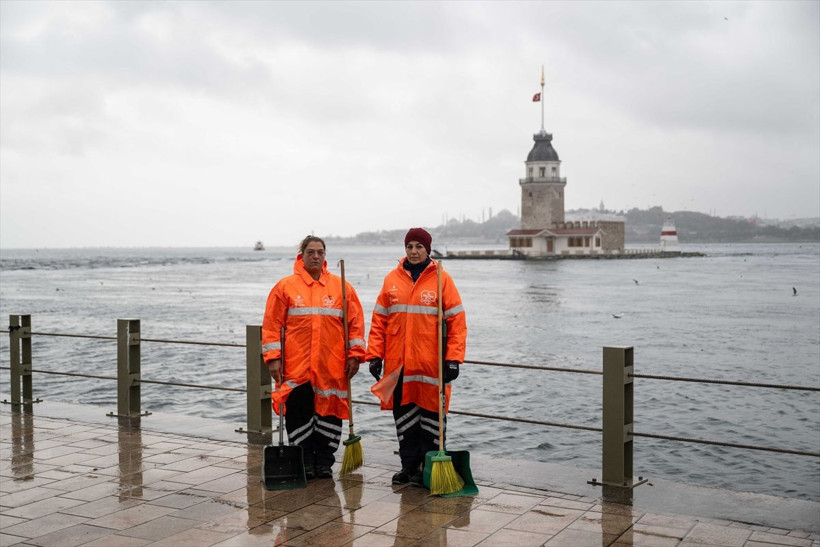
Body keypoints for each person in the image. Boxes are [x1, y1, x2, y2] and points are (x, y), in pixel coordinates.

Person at [366, 227, 467, 485]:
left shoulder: (442, 279)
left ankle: (430, 469)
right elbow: (379, 321)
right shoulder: (391, 279)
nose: (413, 251)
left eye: (418, 247)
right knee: (405, 421)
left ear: (427, 250)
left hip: (432, 368)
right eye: (409, 246)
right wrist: (375, 354)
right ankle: (409, 467)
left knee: (433, 421)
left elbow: (457, 322)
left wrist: (453, 358)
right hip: (399, 367)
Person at [262, 235, 365, 479]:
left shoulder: (342, 288)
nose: (316, 256)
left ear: (325, 255)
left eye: (320, 252)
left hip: (331, 365)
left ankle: (324, 463)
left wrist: (356, 355)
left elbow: (355, 325)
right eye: (311, 252)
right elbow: (271, 325)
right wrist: (273, 358)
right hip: (297, 366)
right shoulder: (285, 287)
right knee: (299, 413)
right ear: (302, 255)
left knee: (329, 414)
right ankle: (305, 460)